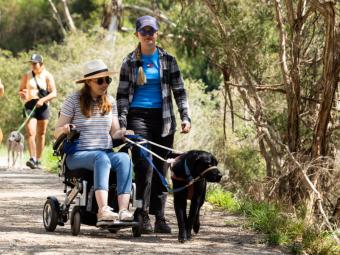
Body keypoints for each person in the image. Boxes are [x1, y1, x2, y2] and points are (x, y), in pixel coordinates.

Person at [117, 15, 191, 234]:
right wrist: (122, 124)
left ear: (157, 33)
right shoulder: (129, 61)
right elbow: (121, 96)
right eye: (144, 32)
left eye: (152, 31)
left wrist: (186, 117)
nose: (148, 35)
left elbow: (180, 91)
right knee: (144, 164)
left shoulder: (168, 60)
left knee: (162, 167)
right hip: (137, 118)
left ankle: (159, 217)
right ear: (137, 35)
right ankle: (141, 214)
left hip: (164, 119)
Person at [54, 59, 134, 224]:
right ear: (88, 82)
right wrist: (65, 129)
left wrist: (124, 132)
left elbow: (115, 132)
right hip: (77, 155)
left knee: (124, 158)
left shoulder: (110, 101)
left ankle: (123, 211)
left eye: (107, 80)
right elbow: (56, 132)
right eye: (100, 80)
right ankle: (103, 210)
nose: (105, 84)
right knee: (101, 157)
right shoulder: (73, 100)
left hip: (104, 152)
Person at [19, 54, 57, 169]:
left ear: (41, 64)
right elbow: (21, 90)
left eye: (35, 63)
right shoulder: (27, 75)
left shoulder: (47, 76)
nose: (33, 66)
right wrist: (22, 94)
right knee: (30, 132)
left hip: (43, 105)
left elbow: (54, 93)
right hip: (30, 105)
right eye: (32, 63)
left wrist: (43, 100)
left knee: (41, 134)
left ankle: (39, 160)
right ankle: (32, 158)